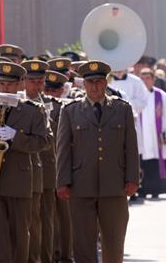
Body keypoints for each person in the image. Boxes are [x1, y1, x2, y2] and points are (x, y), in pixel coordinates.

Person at [56, 60, 139, 263]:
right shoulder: (70, 111)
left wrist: (132, 179)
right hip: (81, 185)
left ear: (106, 83)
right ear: (84, 84)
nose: (95, 86)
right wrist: (62, 182)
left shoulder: (122, 109)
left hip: (114, 185)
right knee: (83, 243)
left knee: (114, 242)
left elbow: (131, 147)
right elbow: (63, 149)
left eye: (99, 81)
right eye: (90, 82)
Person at [0, 62, 49, 262]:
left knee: (20, 236)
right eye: (2, 83)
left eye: (10, 84)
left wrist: (16, 137)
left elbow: (44, 141)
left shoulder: (33, 111)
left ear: (20, 84)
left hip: (19, 181)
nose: (5, 88)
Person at [21, 59, 55, 263]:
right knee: (26, 222)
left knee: (42, 221)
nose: (37, 86)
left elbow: (51, 139)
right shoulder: (16, 104)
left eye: (40, 81)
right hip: (20, 170)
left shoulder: (47, 106)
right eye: (33, 81)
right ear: (24, 81)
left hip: (45, 169)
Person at [44, 70, 73, 263]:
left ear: (62, 91)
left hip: (63, 167)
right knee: (47, 216)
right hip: (45, 168)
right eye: (48, 89)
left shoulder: (68, 108)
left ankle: (65, 254)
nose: (51, 93)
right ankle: (50, 253)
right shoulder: (38, 107)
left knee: (65, 216)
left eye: (56, 90)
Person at [138, 69, 166, 198]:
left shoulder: (161, 96)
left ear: (153, 79)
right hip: (142, 136)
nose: (145, 81)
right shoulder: (136, 96)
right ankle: (142, 189)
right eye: (142, 79)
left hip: (158, 136)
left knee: (156, 161)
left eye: (148, 78)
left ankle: (157, 189)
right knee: (142, 162)